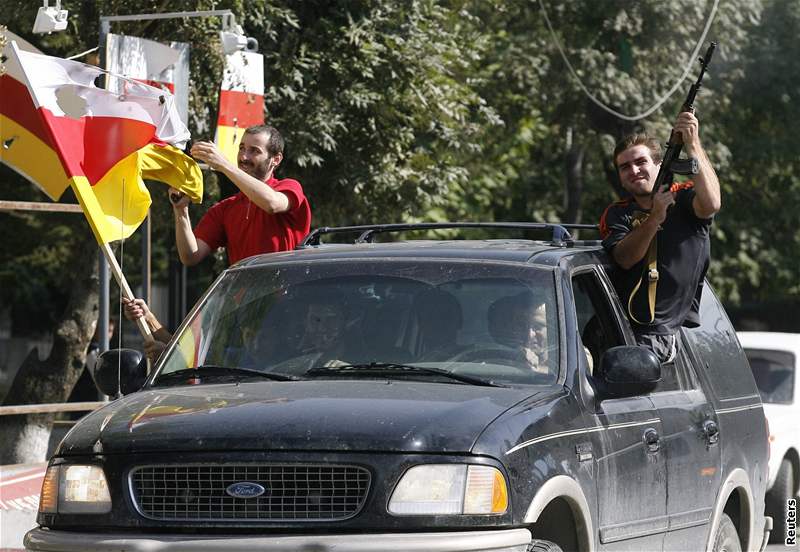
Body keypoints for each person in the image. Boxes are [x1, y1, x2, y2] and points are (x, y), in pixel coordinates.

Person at [599, 112, 721, 363]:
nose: (634, 170)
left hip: (657, 334)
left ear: (658, 164)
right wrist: (654, 218)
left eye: (641, 162)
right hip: (615, 326)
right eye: (625, 167)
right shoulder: (617, 213)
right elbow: (624, 258)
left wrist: (692, 142)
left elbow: (711, 203)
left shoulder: (685, 199)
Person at [171, 125, 312, 266]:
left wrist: (224, 164)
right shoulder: (225, 209)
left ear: (276, 159)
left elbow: (272, 204)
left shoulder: (289, 187)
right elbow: (190, 257)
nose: (244, 157)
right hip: (244, 289)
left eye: (254, 151)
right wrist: (181, 209)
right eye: (241, 148)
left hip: (286, 288)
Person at [487, 291, 550, 374]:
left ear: (551, 330)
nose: (529, 334)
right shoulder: (495, 361)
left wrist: (537, 370)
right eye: (521, 324)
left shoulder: (565, 366)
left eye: (538, 326)